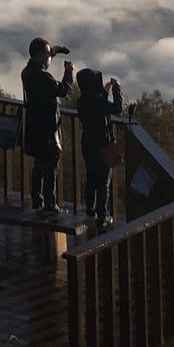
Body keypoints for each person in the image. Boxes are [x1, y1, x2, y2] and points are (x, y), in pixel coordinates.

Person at [21, 37, 75, 214]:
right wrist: (69, 72)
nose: (48, 56)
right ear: (40, 55)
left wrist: (53, 52)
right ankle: (51, 205)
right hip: (48, 128)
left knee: (39, 165)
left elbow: (41, 62)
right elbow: (62, 91)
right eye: (46, 53)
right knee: (51, 166)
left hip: (34, 126)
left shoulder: (27, 72)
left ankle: (37, 200)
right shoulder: (43, 77)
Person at [75, 68, 124, 228]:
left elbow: (96, 101)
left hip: (88, 145)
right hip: (103, 145)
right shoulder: (99, 102)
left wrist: (105, 91)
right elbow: (117, 108)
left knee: (91, 178)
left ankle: (89, 209)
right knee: (103, 182)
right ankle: (102, 216)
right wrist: (117, 90)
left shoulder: (82, 101)